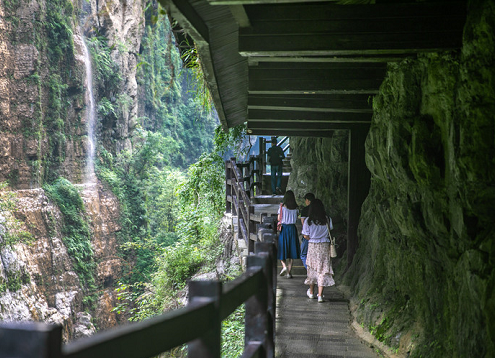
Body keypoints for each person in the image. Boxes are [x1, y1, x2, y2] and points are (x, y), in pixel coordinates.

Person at [301, 199, 335, 302]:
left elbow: (305, 235)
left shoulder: (308, 220)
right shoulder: (327, 219)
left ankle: (311, 293)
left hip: (313, 246)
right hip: (324, 246)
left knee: (312, 269)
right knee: (323, 269)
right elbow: (331, 230)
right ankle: (320, 295)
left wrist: (312, 238)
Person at [277, 190, 300, 278]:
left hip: (284, 228)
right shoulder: (296, 208)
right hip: (292, 229)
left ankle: (284, 266)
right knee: (292, 251)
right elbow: (297, 217)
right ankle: (288, 273)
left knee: (282, 248)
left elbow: (279, 218)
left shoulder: (282, 207)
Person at [299, 192, 315, 270]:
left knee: (303, 254)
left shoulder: (305, 210)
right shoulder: (318, 210)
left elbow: (303, 222)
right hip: (317, 236)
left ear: (308, 200)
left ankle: (309, 270)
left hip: (307, 235)